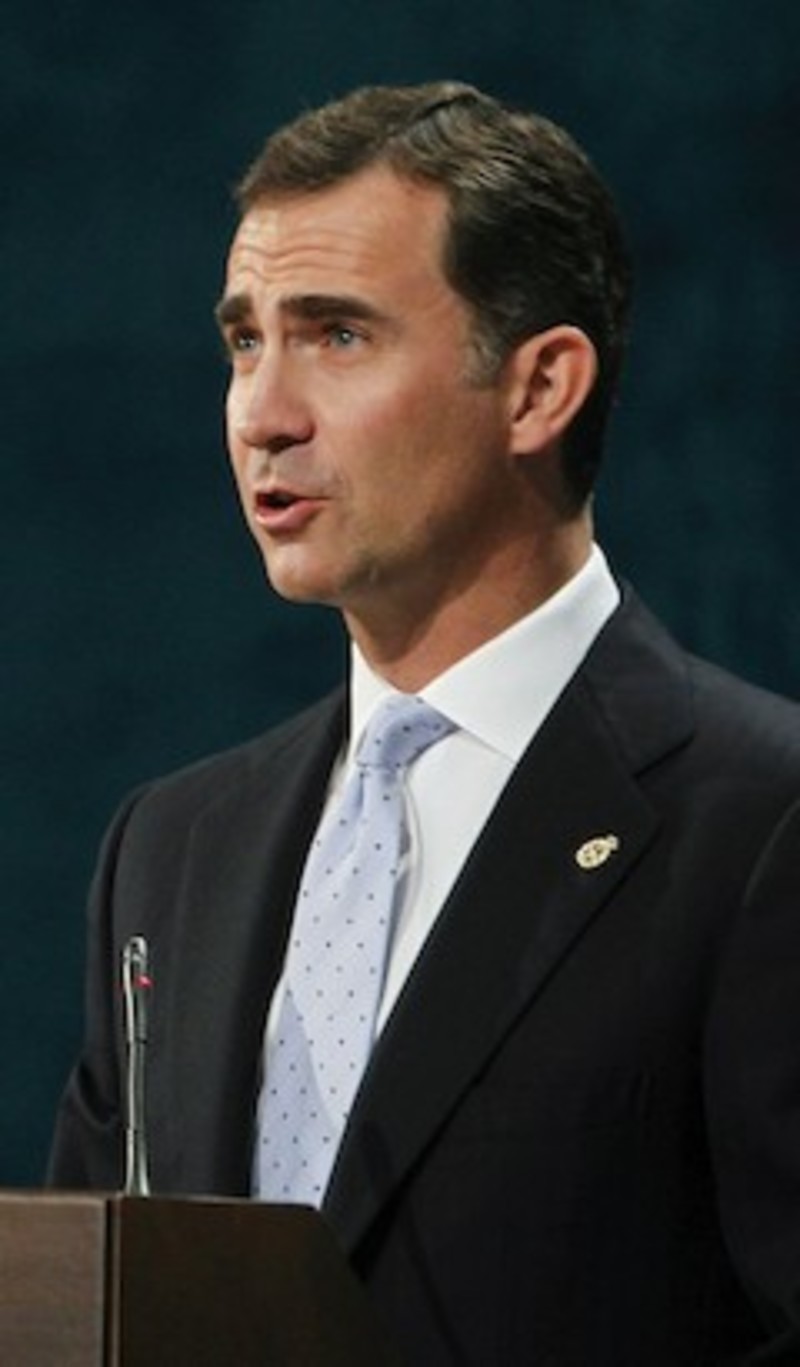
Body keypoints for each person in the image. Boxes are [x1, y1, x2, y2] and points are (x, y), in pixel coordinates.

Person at [48, 82, 800, 1365]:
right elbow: (79, 1305)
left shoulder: (760, 824)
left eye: (335, 335)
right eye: (244, 341)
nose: (261, 413)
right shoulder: (170, 847)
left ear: (537, 388)